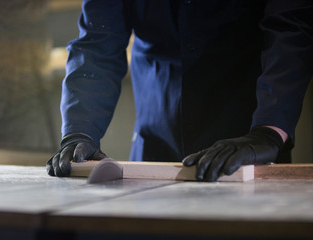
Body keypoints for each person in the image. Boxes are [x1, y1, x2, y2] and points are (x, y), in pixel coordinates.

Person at [47, 0, 313, 181]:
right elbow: (98, 41)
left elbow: (291, 29)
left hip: (249, 142)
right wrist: (79, 131)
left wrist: (270, 131)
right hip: (153, 149)